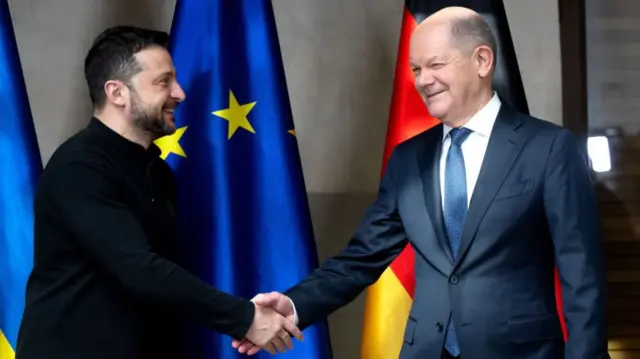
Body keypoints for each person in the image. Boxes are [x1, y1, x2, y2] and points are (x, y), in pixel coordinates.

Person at [233, 6, 608, 359]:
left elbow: (582, 276)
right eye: (415, 69)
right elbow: (361, 258)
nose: (423, 80)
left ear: (482, 60)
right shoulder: (408, 159)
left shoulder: (548, 148)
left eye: (435, 65)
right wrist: (294, 305)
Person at [15, 26, 301, 359]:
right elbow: (142, 270)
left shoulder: (159, 173)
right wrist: (244, 318)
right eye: (163, 82)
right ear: (117, 92)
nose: (179, 93)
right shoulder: (79, 167)